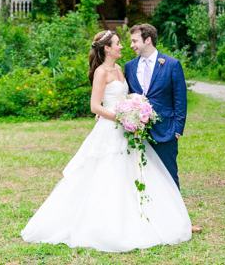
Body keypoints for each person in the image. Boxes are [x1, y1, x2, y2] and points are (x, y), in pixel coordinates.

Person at [21, 29, 192, 252]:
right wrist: (123, 116)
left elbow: (129, 96)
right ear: (107, 49)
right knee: (106, 174)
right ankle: (102, 224)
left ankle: (145, 217)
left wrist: (134, 111)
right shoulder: (101, 72)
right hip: (112, 129)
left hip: (128, 130)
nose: (123, 46)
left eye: (127, 42)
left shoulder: (122, 68)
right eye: (119, 43)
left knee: (134, 174)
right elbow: (95, 105)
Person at [125, 23, 201, 233]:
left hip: (166, 130)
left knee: (168, 175)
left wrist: (178, 129)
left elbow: (180, 100)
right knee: (141, 175)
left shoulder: (171, 64)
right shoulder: (130, 67)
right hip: (138, 131)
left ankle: (179, 222)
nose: (132, 45)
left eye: (134, 41)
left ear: (147, 40)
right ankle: (147, 218)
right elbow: (127, 95)